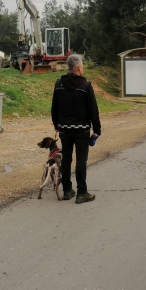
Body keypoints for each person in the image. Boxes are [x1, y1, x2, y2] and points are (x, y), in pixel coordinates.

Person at [51, 55, 102, 204]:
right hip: (81, 129)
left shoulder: (58, 84)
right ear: (79, 67)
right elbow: (93, 110)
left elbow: (54, 107)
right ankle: (82, 192)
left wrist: (57, 124)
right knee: (81, 159)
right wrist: (96, 129)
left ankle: (67, 190)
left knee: (66, 158)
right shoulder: (85, 85)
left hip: (64, 129)